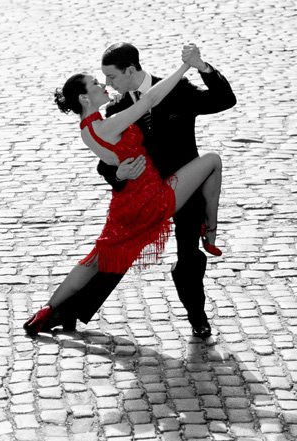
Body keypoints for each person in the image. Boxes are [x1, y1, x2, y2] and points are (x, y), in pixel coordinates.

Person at [35, 43, 237, 339]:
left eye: (111, 77)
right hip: (145, 196)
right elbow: (106, 162)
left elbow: (224, 100)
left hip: (184, 189)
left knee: (188, 259)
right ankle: (68, 311)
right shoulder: (115, 109)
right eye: (101, 80)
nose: (108, 84)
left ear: (130, 70)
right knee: (116, 259)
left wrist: (201, 66)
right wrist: (118, 173)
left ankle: (198, 317)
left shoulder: (177, 89)